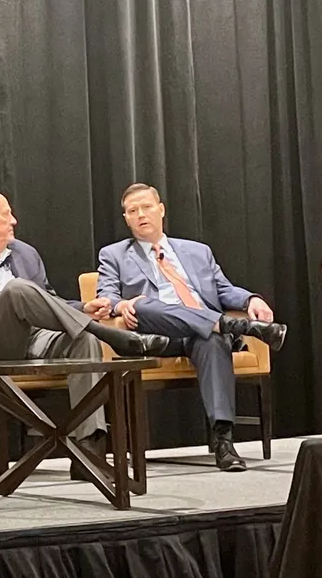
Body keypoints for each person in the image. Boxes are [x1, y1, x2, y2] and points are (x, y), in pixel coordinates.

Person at [0, 190, 178, 469]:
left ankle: (87, 449)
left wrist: (82, 308)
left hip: (38, 337)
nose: (14, 221)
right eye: (6, 214)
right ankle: (111, 336)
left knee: (84, 340)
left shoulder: (25, 254)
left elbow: (47, 299)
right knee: (16, 289)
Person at [91, 183, 286, 472]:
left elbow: (223, 290)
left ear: (161, 210)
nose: (141, 214)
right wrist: (121, 306)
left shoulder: (198, 251)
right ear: (126, 219)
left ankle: (223, 442)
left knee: (213, 339)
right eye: (133, 211)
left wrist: (251, 298)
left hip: (200, 333)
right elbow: (106, 294)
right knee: (143, 303)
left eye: (146, 207)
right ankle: (238, 327)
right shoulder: (114, 254)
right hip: (156, 334)